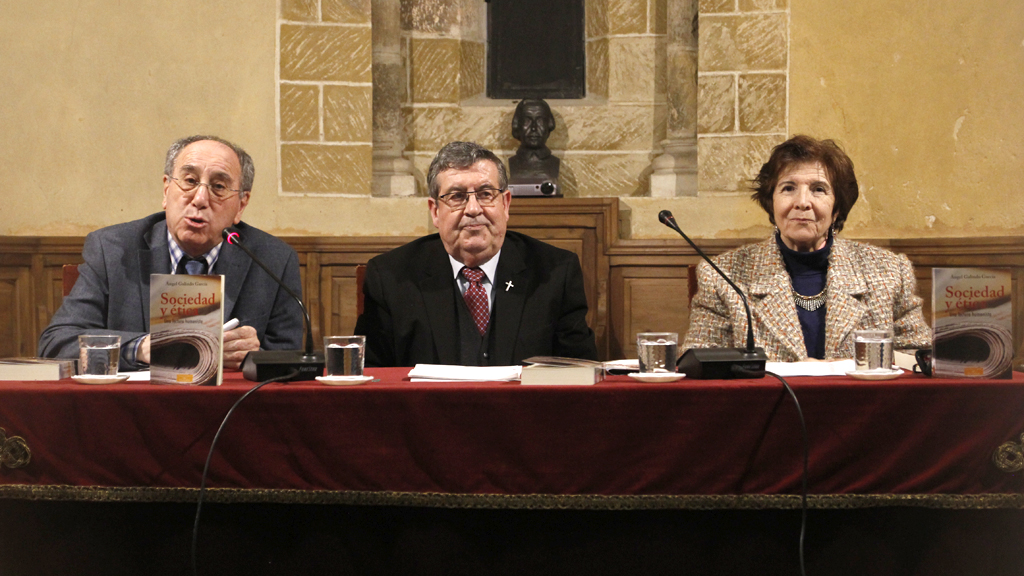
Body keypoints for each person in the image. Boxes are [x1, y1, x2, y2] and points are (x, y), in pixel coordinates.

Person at [39, 135, 304, 370]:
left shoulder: (273, 260)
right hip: (135, 406)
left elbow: (290, 361)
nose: (200, 199)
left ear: (241, 205)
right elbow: (56, 343)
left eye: (219, 187)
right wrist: (144, 347)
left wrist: (254, 357)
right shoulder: (112, 250)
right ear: (167, 189)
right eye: (190, 181)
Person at [682, 135, 931, 361]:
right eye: (788, 188)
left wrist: (833, 373)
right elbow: (699, 362)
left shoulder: (889, 272)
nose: (802, 202)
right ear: (771, 202)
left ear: (837, 208)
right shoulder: (722, 275)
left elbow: (919, 357)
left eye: (818, 189)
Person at [354, 141, 597, 367]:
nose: (473, 209)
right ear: (435, 211)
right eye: (457, 197)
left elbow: (579, 374)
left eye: (485, 194)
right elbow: (373, 377)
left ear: (506, 204)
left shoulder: (555, 273)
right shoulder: (390, 278)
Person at [508, 98, 560, 183]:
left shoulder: (554, 162)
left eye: (540, 121)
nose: (533, 128)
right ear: (517, 125)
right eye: (527, 121)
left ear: (549, 125)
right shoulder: (512, 162)